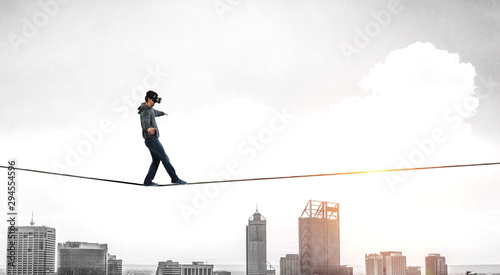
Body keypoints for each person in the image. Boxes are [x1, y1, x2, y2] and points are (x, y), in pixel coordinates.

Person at [138, 90, 187, 186]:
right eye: (153, 100)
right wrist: (148, 128)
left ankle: (148, 181)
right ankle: (175, 179)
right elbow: (145, 122)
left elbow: (154, 112)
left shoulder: (149, 108)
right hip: (152, 139)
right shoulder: (145, 110)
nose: (155, 103)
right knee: (165, 158)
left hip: (150, 140)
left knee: (156, 161)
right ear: (148, 99)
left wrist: (162, 113)